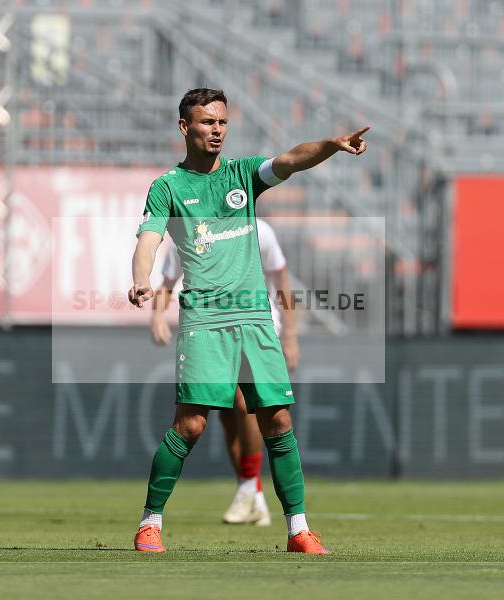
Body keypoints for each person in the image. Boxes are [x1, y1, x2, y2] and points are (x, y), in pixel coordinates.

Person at [128, 88, 369, 554]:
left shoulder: (243, 175)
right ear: (185, 127)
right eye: (206, 122)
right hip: (205, 319)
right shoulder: (168, 186)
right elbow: (149, 238)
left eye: (222, 122)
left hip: (256, 319)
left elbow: (293, 159)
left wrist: (332, 144)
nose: (216, 130)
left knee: (277, 420)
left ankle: (298, 530)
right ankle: (149, 523)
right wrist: (140, 280)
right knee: (192, 425)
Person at [151, 218, 299, 527]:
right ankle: (253, 493)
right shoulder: (189, 230)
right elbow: (166, 284)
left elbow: (281, 280)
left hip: (257, 326)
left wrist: (290, 335)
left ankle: (250, 489)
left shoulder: (259, 229)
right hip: (210, 331)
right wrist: (157, 316)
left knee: (247, 405)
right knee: (228, 416)